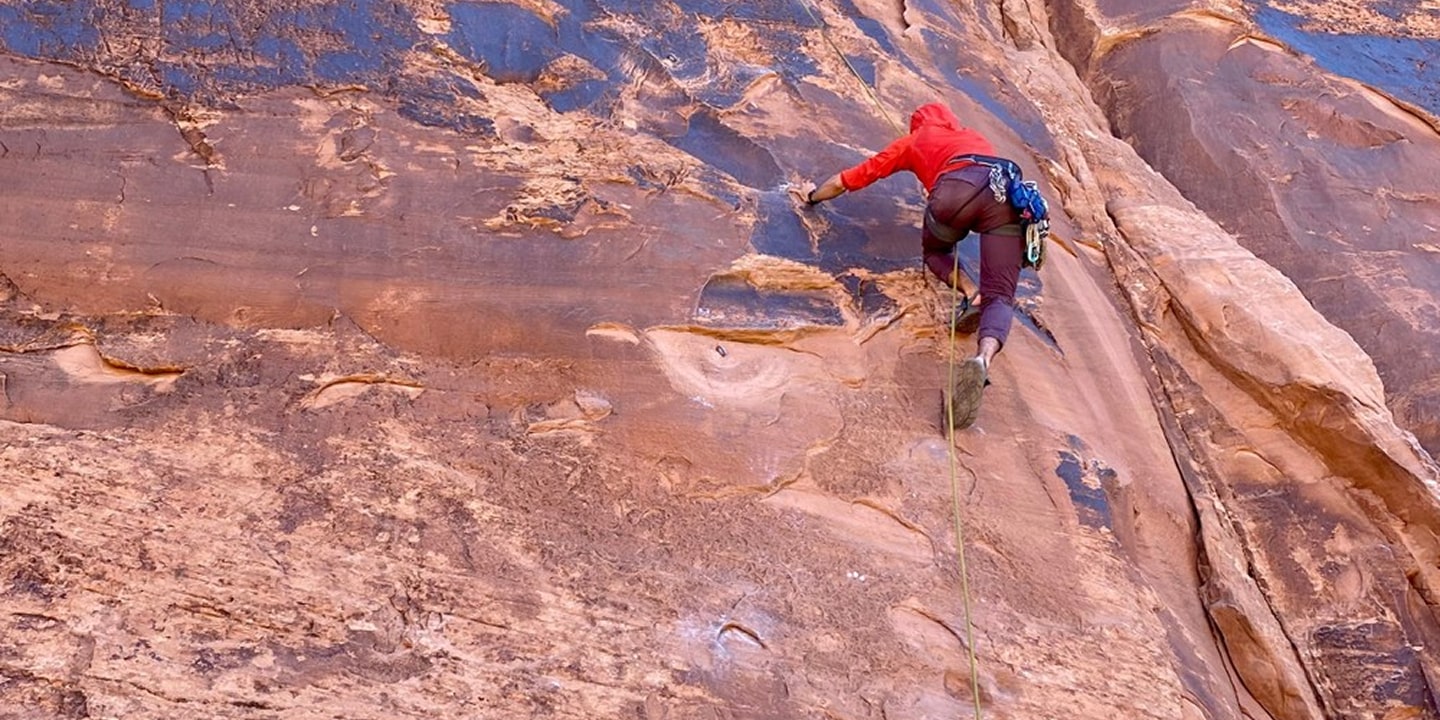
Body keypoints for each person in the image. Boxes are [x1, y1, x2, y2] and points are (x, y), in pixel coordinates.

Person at [795, 102, 1028, 429]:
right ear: (951, 120)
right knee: (1002, 295)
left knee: (936, 252)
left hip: (954, 192)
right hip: (1005, 192)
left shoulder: (911, 142)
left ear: (916, 124)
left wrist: (812, 197)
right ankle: (982, 358)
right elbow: (978, 178)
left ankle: (970, 290)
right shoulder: (971, 136)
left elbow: (851, 179)